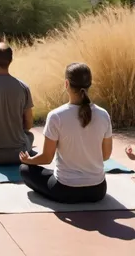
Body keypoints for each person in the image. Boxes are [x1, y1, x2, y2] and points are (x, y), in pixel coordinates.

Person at [19, 63, 113, 204]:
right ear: (89, 85)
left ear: (66, 83)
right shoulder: (103, 115)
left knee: (25, 169)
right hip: (98, 190)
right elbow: (105, 156)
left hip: (66, 191)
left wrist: (28, 160)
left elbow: (46, 158)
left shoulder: (56, 116)